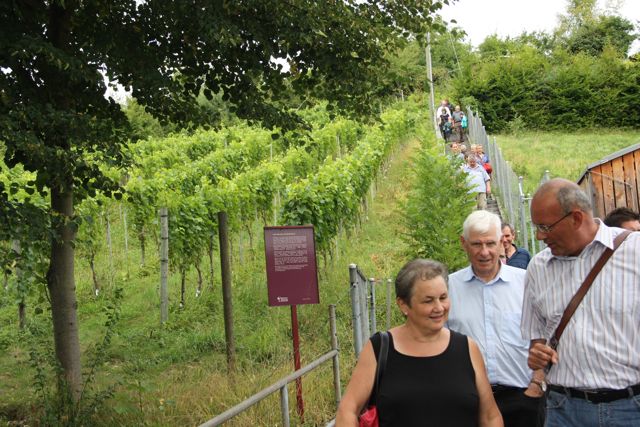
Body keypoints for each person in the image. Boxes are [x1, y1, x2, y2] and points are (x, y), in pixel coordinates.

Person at [522, 178, 640, 426]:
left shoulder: (634, 251)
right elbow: (537, 338)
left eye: (545, 227)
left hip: (629, 409)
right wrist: (536, 355)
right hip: (562, 410)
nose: (539, 236)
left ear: (576, 218)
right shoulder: (538, 267)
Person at [336, 259, 503, 427]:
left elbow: (490, 417)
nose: (439, 307)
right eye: (428, 301)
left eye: (443, 298)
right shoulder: (380, 348)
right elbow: (347, 410)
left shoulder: (467, 348)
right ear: (403, 305)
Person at [448, 211, 545, 427]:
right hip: (468, 404)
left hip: (522, 400)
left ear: (502, 242)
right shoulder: (448, 288)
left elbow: (544, 336)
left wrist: (537, 384)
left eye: (490, 243)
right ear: (463, 243)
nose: (484, 252)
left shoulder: (526, 283)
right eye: (476, 244)